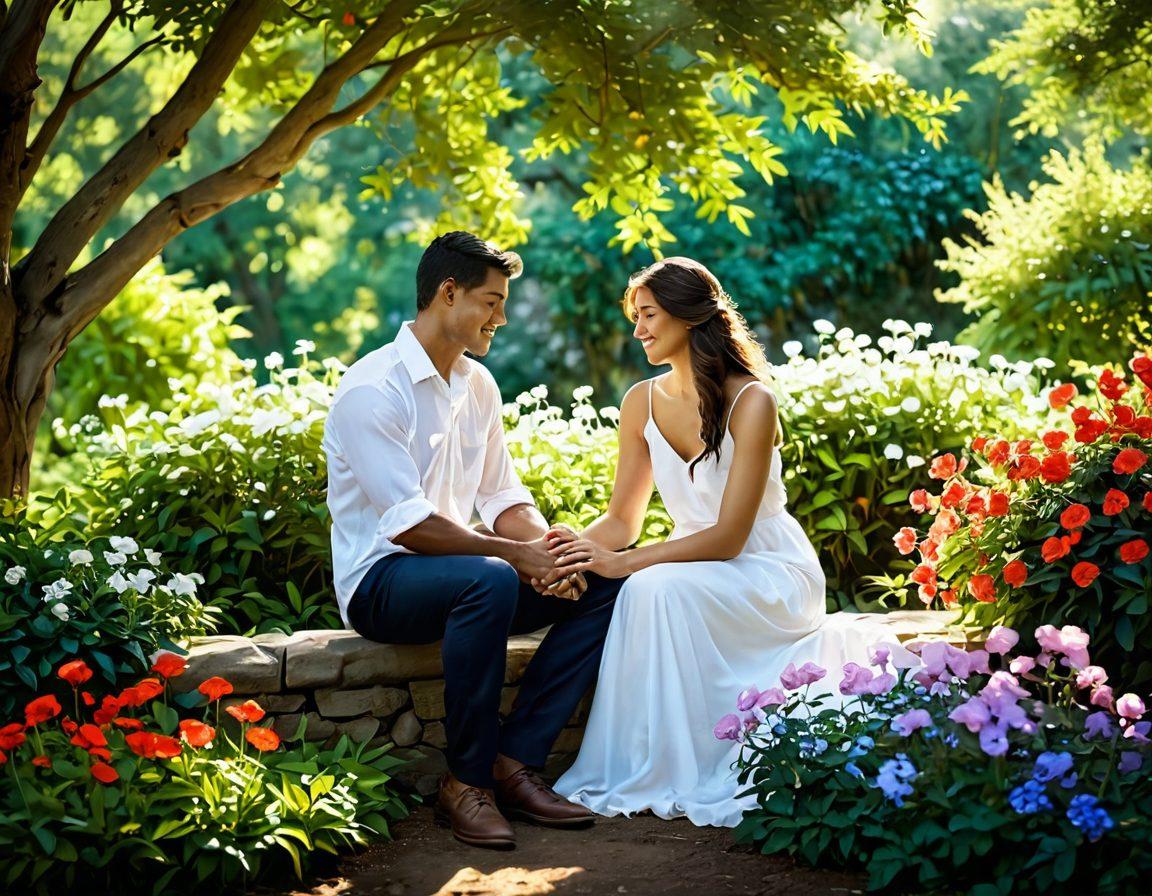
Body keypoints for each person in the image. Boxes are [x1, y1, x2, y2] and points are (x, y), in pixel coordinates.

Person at [548, 257, 888, 827]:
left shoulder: (751, 400)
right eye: (637, 317)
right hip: (697, 567)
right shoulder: (640, 403)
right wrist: (571, 551)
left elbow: (730, 537)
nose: (638, 331)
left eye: (649, 315)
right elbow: (621, 522)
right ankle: (654, 765)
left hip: (769, 569)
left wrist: (621, 563)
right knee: (651, 587)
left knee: (652, 587)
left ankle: (686, 768)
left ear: (687, 315)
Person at [323, 231, 625, 850]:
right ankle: (464, 782)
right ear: (447, 293)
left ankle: (514, 764)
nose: (502, 317)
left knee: (599, 579)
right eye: (491, 302)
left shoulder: (477, 385)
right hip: (382, 584)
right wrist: (515, 557)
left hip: (465, 577)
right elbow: (408, 525)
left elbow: (503, 498)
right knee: (486, 577)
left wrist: (550, 554)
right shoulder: (371, 390)